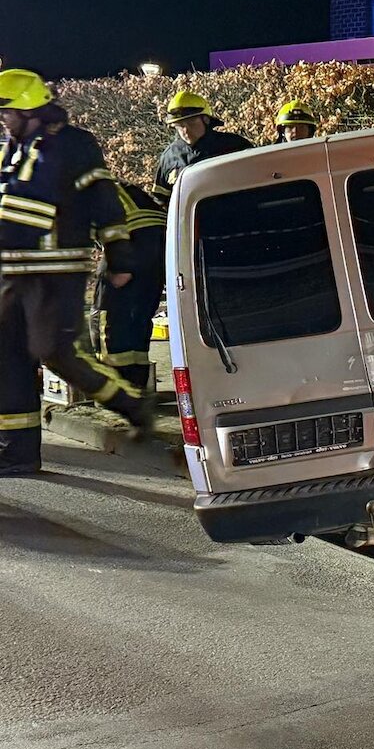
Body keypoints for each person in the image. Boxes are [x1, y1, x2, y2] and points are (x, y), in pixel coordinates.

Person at [0, 69, 153, 477]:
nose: (3, 120)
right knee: (8, 358)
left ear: (29, 110)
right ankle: (17, 453)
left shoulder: (72, 144)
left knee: (59, 354)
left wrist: (120, 257)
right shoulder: (13, 147)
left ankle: (133, 405)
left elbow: (103, 201)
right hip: (11, 271)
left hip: (56, 270)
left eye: (7, 112)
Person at [89, 181, 167, 391]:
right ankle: (137, 388)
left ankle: (115, 393)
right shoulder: (116, 187)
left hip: (131, 239)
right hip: (159, 243)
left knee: (105, 318)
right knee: (137, 321)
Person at [151, 91, 251, 209]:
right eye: (180, 125)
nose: (185, 130)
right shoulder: (169, 157)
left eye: (191, 123)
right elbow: (160, 202)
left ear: (206, 119)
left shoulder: (235, 145)